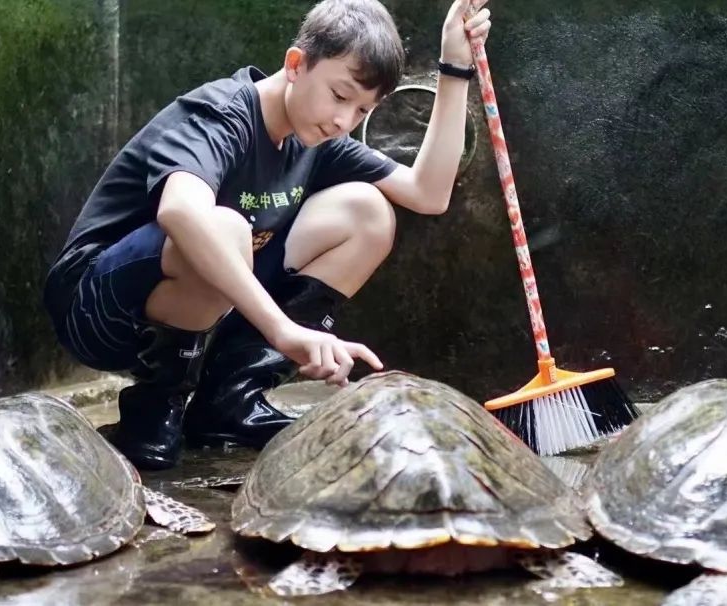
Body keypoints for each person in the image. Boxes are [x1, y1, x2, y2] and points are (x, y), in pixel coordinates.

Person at [42, 0, 492, 470]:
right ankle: (155, 406)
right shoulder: (221, 115)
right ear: (295, 65)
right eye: (339, 96)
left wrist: (455, 66)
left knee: (368, 213)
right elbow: (180, 211)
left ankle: (228, 399)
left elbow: (429, 193)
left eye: (361, 111)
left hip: (195, 306)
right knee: (225, 226)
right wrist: (283, 330)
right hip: (96, 311)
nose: (344, 120)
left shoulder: (314, 138)